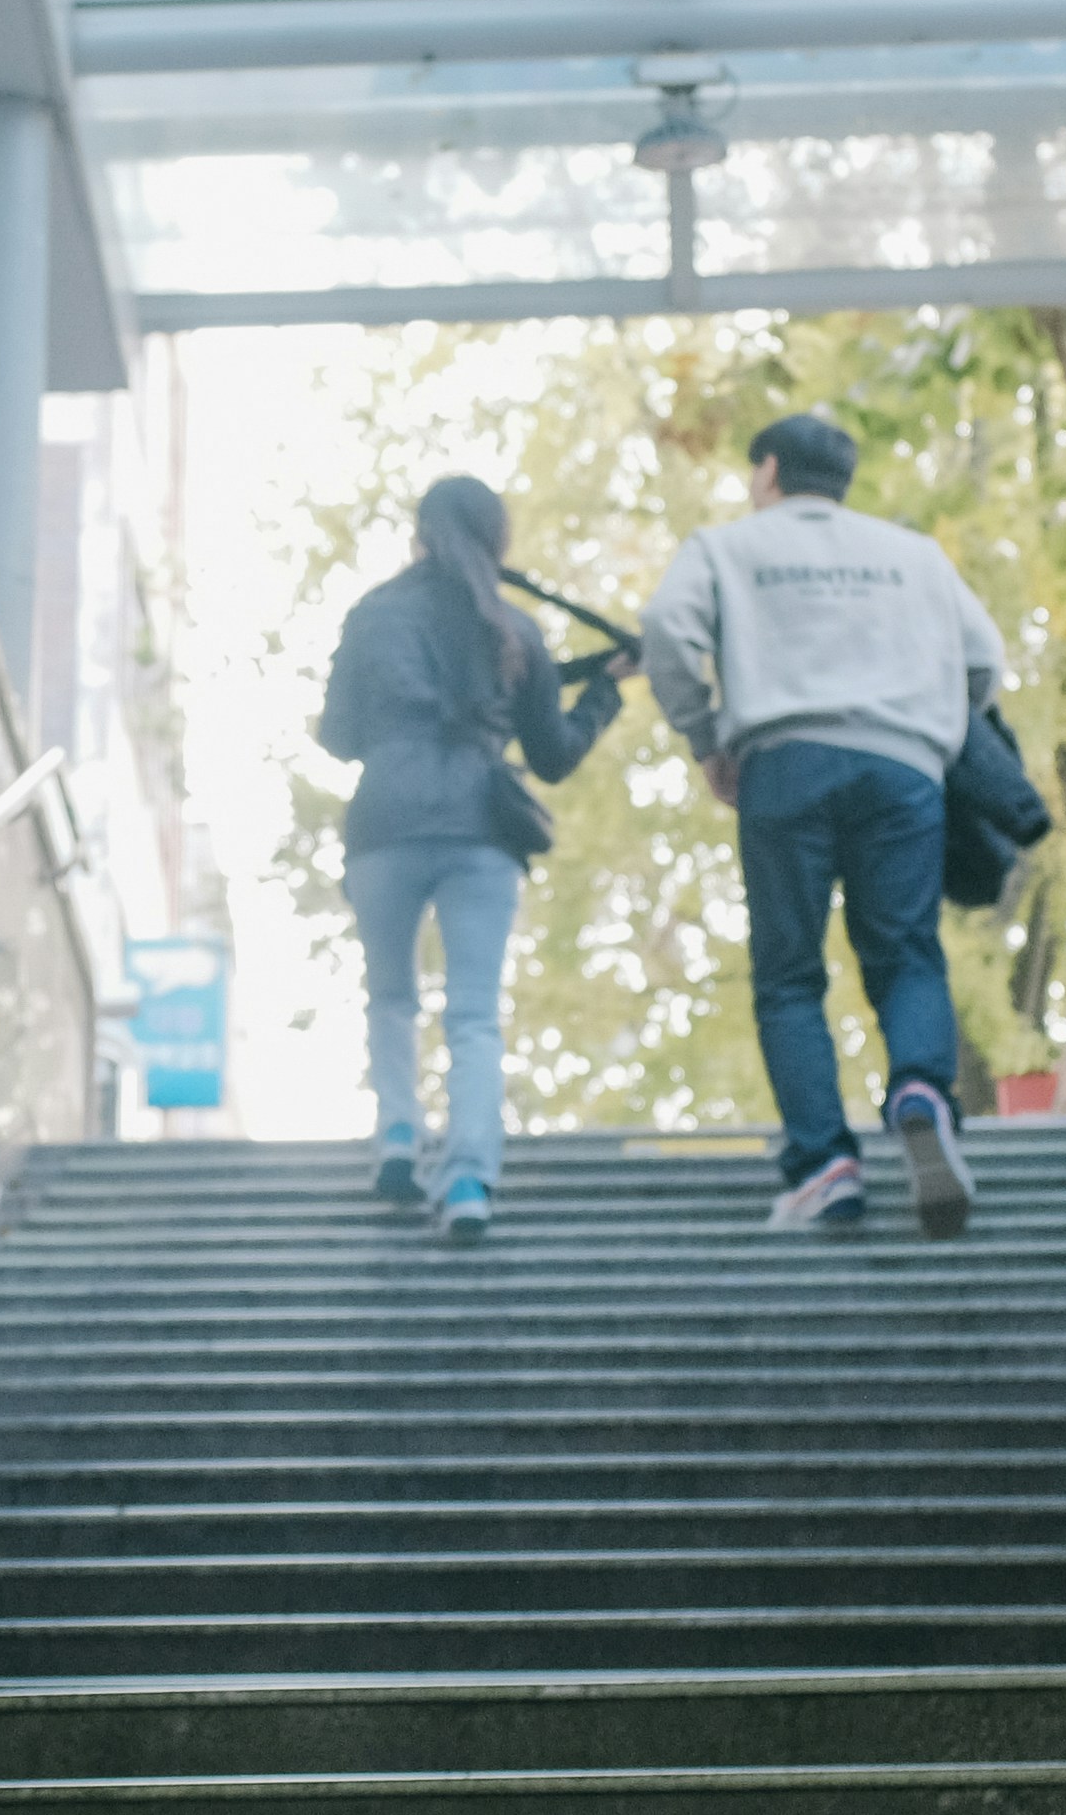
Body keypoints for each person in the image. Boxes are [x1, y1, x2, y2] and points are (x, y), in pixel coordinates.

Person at [641, 409, 1005, 1238]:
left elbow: (665, 630)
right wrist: (931, 730)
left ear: (768, 471)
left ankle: (825, 1166)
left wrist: (705, 740)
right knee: (907, 951)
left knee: (789, 975)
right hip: (903, 768)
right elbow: (984, 657)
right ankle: (919, 1091)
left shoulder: (726, 547)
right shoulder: (913, 556)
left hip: (783, 762)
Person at [314, 473, 626, 1244]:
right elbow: (551, 756)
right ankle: (465, 1180)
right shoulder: (512, 626)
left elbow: (337, 736)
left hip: (384, 819)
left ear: (420, 535)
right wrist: (604, 693)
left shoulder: (371, 615)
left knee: (389, 995)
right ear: (497, 540)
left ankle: (395, 1135)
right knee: (473, 1014)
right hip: (481, 825)